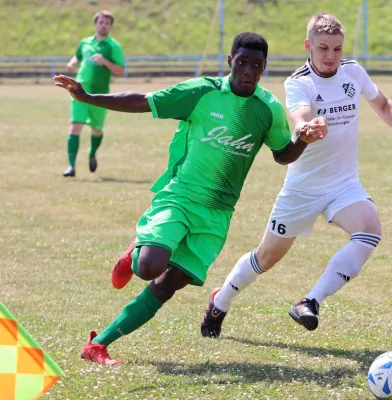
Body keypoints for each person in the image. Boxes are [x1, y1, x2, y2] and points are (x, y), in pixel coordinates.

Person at [53, 32, 327, 365]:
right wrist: (88, 98)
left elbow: (283, 154)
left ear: (264, 67)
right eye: (242, 63)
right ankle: (133, 252)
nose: (248, 72)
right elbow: (144, 100)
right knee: (148, 266)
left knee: (167, 286)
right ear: (230, 62)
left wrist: (303, 140)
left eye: (256, 66)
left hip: (218, 213)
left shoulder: (267, 109)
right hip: (181, 196)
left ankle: (98, 345)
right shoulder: (201, 92)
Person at [200, 12, 392, 336]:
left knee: (369, 230)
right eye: (323, 48)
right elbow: (300, 117)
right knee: (266, 258)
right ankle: (220, 301)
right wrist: (309, 128)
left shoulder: (353, 72)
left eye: (337, 49)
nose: (331, 56)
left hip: (343, 183)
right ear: (308, 45)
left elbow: (382, 104)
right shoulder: (299, 82)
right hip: (302, 188)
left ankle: (309, 302)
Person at [63, 10, 126, 177]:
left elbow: (120, 71)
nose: (104, 25)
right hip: (79, 90)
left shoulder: (114, 46)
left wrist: (105, 62)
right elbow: (76, 57)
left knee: (97, 130)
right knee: (75, 126)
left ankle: (92, 153)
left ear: (111, 26)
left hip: (100, 95)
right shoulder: (85, 43)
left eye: (107, 23)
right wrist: (71, 63)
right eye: (101, 22)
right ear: (95, 24)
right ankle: (71, 167)